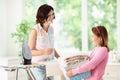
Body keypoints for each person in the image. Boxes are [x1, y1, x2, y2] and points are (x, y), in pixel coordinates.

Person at [28, 4, 59, 80]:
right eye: (50, 14)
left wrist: (61, 59)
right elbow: (29, 52)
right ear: (44, 16)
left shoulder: (51, 29)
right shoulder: (35, 30)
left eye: (53, 14)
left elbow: (52, 49)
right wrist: (44, 52)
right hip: (38, 66)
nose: (53, 16)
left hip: (50, 64)